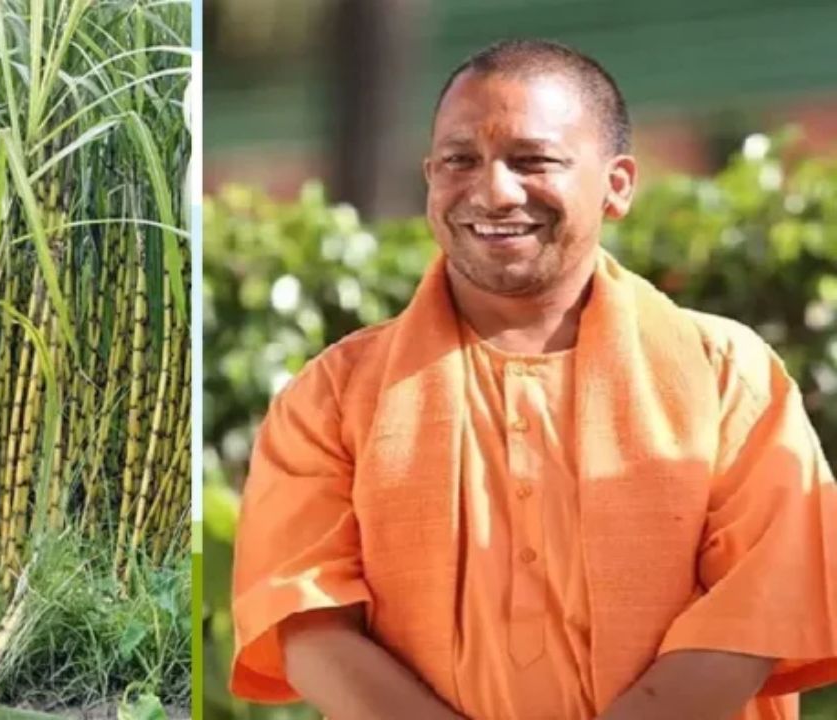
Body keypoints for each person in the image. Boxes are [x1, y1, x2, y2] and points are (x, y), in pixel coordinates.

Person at [230, 39, 837, 720]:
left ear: (618, 184)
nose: (493, 191)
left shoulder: (729, 375)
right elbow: (306, 620)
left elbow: (758, 607)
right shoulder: (333, 396)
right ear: (430, 177)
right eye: (460, 160)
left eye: (533, 160)